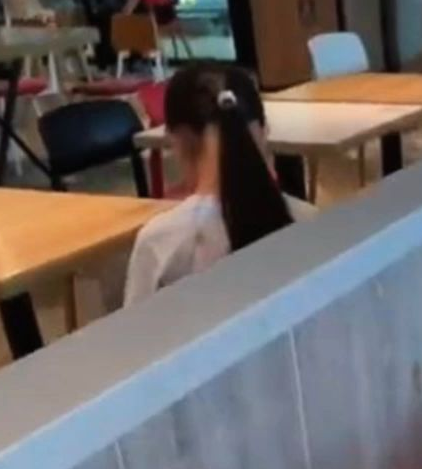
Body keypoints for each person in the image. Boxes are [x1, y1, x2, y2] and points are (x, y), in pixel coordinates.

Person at [124, 64, 315, 305]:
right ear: (264, 130)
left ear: (177, 140)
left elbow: (139, 326)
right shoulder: (309, 218)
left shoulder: (160, 243)